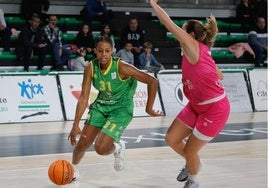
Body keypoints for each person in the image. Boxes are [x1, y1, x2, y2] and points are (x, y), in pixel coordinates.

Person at [150, 1, 231, 188]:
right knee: (171, 139)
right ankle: (195, 163)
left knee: (191, 150)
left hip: (214, 109)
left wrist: (153, 4)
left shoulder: (191, 44)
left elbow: (167, 22)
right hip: (196, 105)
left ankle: (194, 181)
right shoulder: (200, 50)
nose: (179, 30)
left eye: (183, 28)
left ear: (190, 35)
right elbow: (220, 75)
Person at [68, 36, 162, 181]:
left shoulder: (121, 66)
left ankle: (118, 148)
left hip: (121, 109)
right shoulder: (90, 68)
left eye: (107, 51)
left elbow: (152, 81)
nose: (103, 54)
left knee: (101, 148)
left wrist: (149, 108)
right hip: (101, 106)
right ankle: (73, 170)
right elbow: (83, 98)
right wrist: (75, 124)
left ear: (112, 51)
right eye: (100, 51)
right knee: (83, 143)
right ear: (95, 52)